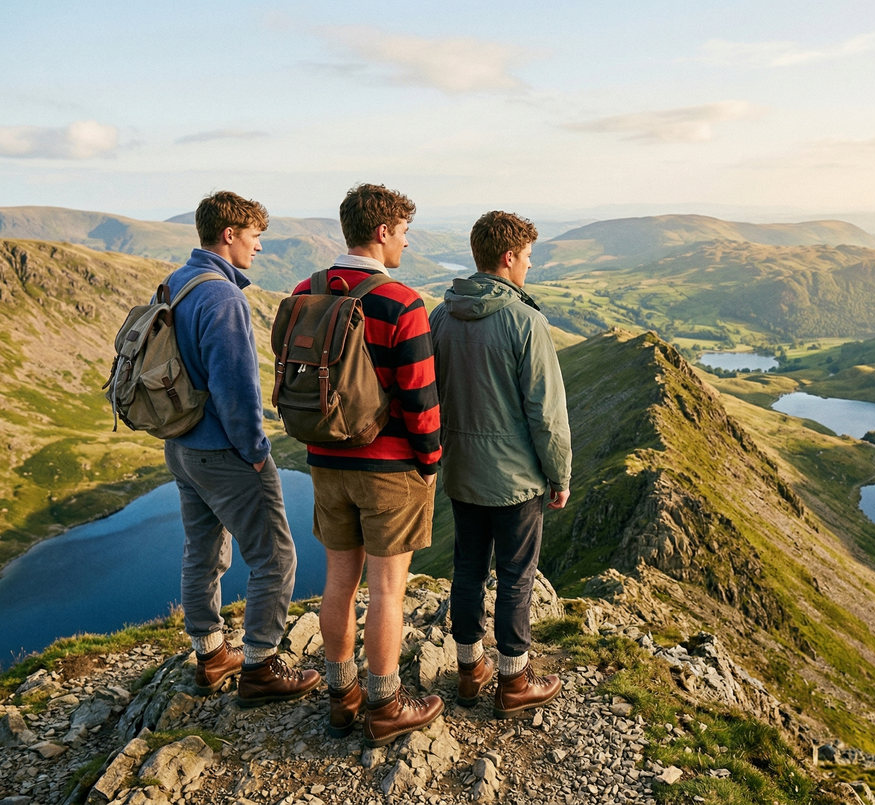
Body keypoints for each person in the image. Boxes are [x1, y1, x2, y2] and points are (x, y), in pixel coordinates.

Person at [299, 184, 444, 746]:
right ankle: (385, 705)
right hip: (387, 469)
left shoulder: (304, 292)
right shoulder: (401, 302)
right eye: (404, 231)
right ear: (381, 232)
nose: (406, 242)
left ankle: (341, 695)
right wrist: (429, 462)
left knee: (339, 578)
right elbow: (420, 397)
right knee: (387, 589)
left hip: (323, 460)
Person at [164, 191, 320, 707]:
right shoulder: (224, 297)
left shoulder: (179, 280)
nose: (259, 247)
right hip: (222, 450)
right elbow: (236, 386)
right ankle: (259, 668)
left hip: (182, 446)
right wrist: (255, 449)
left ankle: (211, 656)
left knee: (202, 550)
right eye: (255, 236)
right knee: (275, 557)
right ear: (229, 234)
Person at [429, 210, 572, 718]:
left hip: (462, 471)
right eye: (529, 256)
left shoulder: (441, 316)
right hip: (516, 481)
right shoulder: (525, 321)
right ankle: (513, 682)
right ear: (508, 256)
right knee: (515, 575)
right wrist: (559, 476)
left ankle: (469, 672)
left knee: (467, 568)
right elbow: (547, 414)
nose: (530, 266)